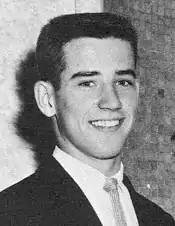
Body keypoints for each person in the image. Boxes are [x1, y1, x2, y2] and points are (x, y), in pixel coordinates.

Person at [0, 13, 174, 226]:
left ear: (137, 91)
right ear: (47, 99)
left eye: (123, 82)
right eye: (88, 83)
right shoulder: (10, 214)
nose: (112, 101)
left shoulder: (160, 220)